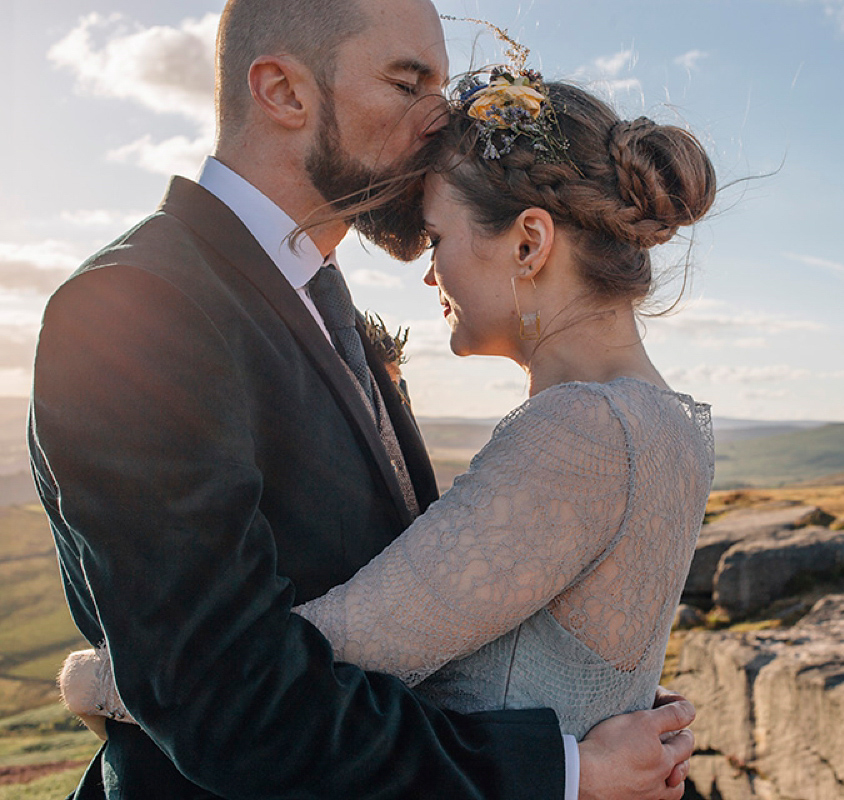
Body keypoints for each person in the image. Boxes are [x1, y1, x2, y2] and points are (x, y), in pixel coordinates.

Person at [29, 0, 695, 797]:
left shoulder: (323, 299)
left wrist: (577, 699)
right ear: (283, 92)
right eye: (409, 82)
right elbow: (223, 698)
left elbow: (417, 611)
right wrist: (558, 767)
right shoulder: (135, 307)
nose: (441, 119)